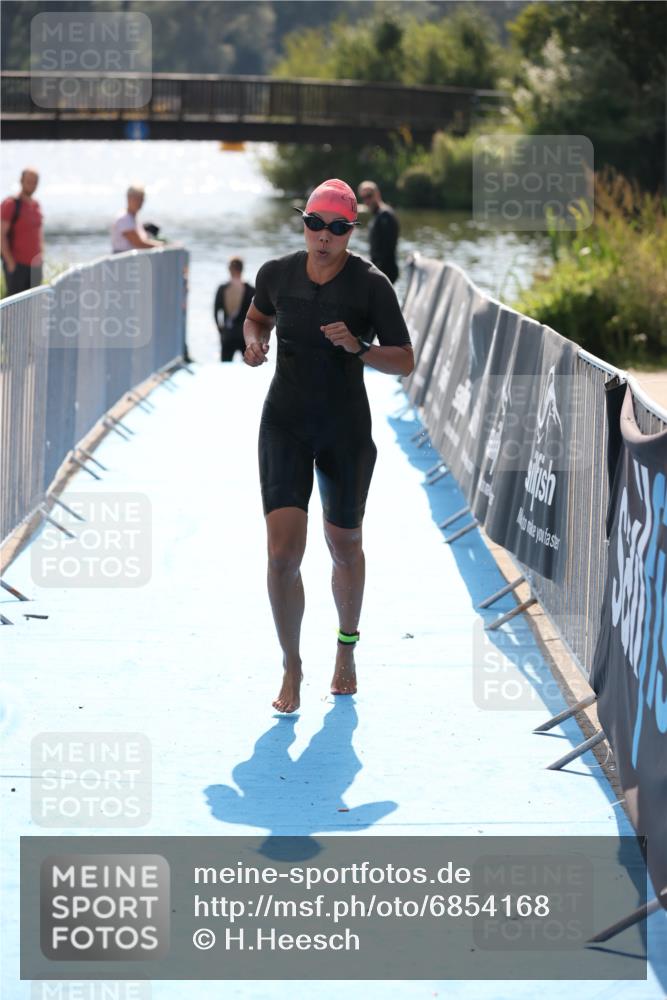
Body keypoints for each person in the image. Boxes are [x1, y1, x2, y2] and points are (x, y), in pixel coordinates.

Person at [243, 178, 414, 714]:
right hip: (285, 424)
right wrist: (254, 342)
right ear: (304, 222)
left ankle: (346, 647)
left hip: (343, 430)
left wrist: (360, 347)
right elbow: (256, 316)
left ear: (350, 232)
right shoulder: (277, 273)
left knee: (343, 547)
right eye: (315, 223)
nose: (324, 236)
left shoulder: (370, 285)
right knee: (281, 557)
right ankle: (292, 663)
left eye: (337, 228)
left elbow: (404, 358)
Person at [1, 167, 44, 296]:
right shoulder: (11, 204)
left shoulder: (36, 205)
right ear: (21, 181)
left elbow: (38, 233)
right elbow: (1, 234)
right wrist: (10, 262)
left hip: (35, 266)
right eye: (29, 181)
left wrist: (41, 256)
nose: (32, 185)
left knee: (34, 306)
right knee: (15, 308)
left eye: (35, 181)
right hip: (17, 265)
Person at [357, 180, 399, 284]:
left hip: (385, 272)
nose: (367, 200)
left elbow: (386, 250)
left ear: (377, 194)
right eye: (363, 197)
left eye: (369, 195)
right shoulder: (378, 216)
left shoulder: (385, 216)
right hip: (379, 270)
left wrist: (375, 272)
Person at [214, 256, 255, 362]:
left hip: (228, 333)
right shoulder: (250, 290)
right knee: (247, 367)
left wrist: (221, 330)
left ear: (229, 269)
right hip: (244, 335)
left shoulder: (222, 289)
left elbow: (216, 312)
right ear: (242, 269)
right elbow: (256, 315)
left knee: (224, 368)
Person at [111, 185, 163, 253]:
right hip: (125, 260)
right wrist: (163, 245)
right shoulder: (124, 218)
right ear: (128, 198)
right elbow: (139, 244)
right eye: (136, 199)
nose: (140, 202)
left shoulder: (134, 218)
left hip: (135, 259)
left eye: (141, 199)